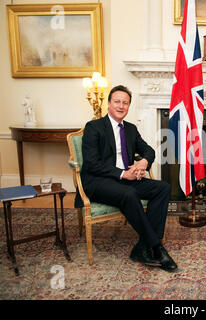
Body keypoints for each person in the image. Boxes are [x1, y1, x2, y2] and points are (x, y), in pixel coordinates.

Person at [79, 85, 177, 272]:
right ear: (108, 104)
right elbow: (92, 164)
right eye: (117, 101)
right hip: (98, 181)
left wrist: (143, 163)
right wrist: (123, 173)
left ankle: (141, 247)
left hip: (125, 180)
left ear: (129, 106)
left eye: (125, 103)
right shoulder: (94, 127)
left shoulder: (131, 129)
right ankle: (156, 247)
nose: (121, 106)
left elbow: (149, 150)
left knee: (163, 188)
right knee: (129, 193)